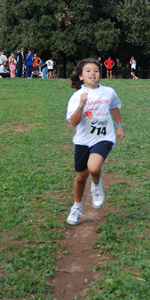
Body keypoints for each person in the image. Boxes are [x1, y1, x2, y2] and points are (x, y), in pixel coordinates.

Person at [65, 59, 125, 225]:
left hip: (104, 137)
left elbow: (114, 107)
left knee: (94, 167)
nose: (93, 74)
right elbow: (74, 122)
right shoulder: (77, 96)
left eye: (96, 71)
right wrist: (82, 105)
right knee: (80, 177)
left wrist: (119, 126)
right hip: (83, 140)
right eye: (88, 71)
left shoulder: (108, 92)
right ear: (81, 76)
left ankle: (97, 185)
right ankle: (77, 207)